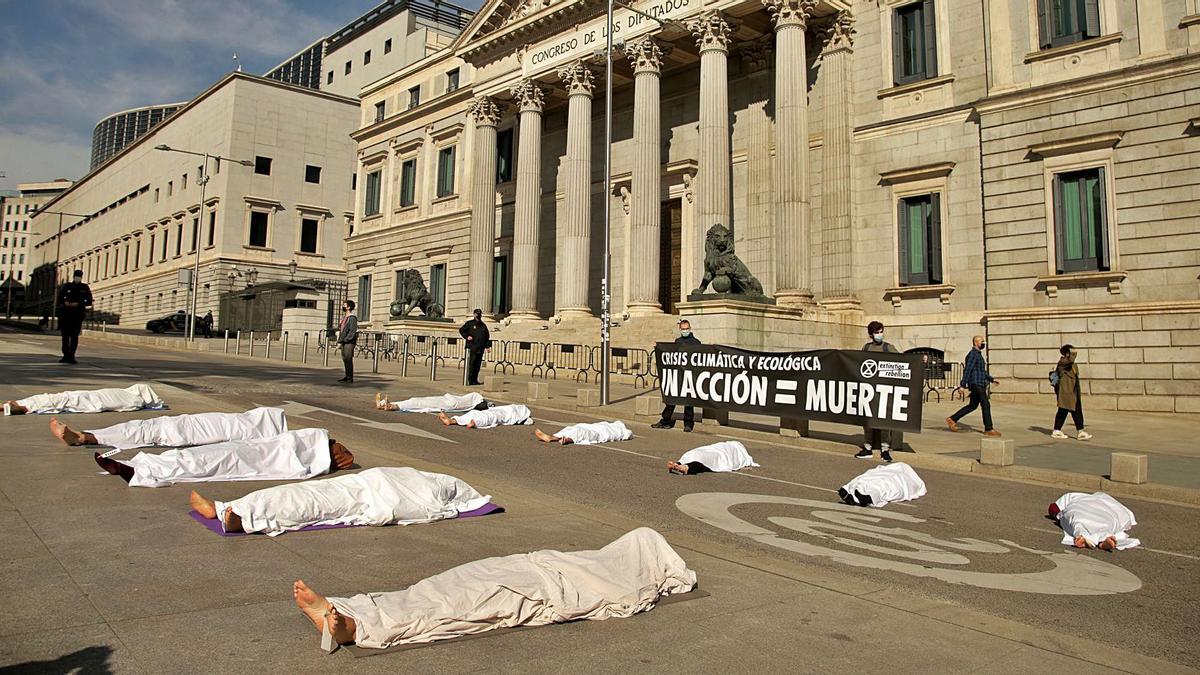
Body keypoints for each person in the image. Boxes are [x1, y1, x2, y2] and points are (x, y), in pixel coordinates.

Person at [291, 527, 696, 651]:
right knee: (446, 587)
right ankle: (353, 613)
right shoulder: (613, 557)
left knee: (459, 601)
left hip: (539, 580)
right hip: (533, 566)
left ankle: (353, 625)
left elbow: (614, 592)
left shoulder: (628, 573)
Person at [189, 466, 492, 536]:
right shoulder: (426, 477)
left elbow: (402, 508)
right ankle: (228, 507)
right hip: (367, 481)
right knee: (302, 492)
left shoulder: (433, 497)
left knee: (311, 503)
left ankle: (242, 516)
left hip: (366, 495)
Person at [93, 427, 353, 487]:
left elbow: (342, 458)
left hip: (257, 457)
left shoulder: (319, 454)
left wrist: (329, 458)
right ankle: (139, 466)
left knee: (207, 462)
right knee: (200, 455)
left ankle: (137, 471)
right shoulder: (316, 437)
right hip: (256, 447)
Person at [50, 407, 287, 450]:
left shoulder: (253, 429)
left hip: (187, 431)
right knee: (146, 428)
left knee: (150, 429)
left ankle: (85, 437)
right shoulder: (249, 421)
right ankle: (87, 436)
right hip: (192, 426)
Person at [857, 320, 899, 462]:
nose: (880, 334)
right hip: (869, 390)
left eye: (881, 331)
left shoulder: (888, 348)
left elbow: (904, 360)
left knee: (883, 421)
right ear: (871, 334)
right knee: (868, 420)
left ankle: (885, 449)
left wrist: (919, 359)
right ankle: (867, 447)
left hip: (884, 389)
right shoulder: (867, 348)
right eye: (877, 332)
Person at [947, 335, 1001, 436]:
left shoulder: (978, 355)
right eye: (982, 342)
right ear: (976, 343)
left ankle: (952, 419)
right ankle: (989, 428)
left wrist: (992, 379)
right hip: (976, 384)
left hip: (980, 383)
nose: (983, 343)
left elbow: (982, 372)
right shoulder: (972, 354)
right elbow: (967, 370)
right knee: (985, 404)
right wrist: (962, 385)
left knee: (972, 406)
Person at [652, 319, 700, 432]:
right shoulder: (677, 341)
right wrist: (659, 347)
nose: (685, 331)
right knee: (672, 399)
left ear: (690, 328)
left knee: (688, 401)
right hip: (678, 375)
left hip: (689, 376)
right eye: (683, 329)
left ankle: (688, 423)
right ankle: (666, 421)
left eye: (686, 328)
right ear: (680, 329)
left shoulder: (696, 343)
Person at [1049, 492, 1139, 551]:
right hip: (1105, 510)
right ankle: (1105, 537)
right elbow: (1123, 513)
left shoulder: (1070, 497)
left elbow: (1053, 508)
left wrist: (1057, 517)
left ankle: (1082, 536)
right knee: (1107, 522)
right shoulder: (1105, 498)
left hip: (1080, 506)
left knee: (1077, 521)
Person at [5, 383, 164, 416]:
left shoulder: (133, 399)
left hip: (93, 398)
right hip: (93, 397)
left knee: (64, 398)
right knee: (64, 399)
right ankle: (21, 405)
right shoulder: (131, 398)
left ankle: (22, 406)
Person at [837, 462, 927, 508]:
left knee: (879, 482)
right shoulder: (899, 469)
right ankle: (860, 493)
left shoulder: (910, 477)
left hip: (895, 477)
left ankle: (860, 493)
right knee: (874, 479)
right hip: (889, 474)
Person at [1051, 344, 1091, 441]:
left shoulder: (1072, 364)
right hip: (1066, 392)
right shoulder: (1063, 362)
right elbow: (1070, 360)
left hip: (1073, 392)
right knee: (1066, 410)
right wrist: (1072, 352)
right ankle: (1060, 430)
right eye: (1071, 352)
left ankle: (1079, 431)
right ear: (1067, 354)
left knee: (1072, 410)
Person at [56, 269, 92, 364]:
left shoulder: (84, 288)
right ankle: (65, 355)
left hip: (77, 315)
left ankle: (71, 355)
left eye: (79, 276)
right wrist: (65, 302)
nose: (78, 278)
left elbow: (89, 301)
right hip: (66, 314)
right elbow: (60, 298)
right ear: (74, 277)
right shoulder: (67, 286)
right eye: (76, 276)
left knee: (74, 336)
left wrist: (78, 303)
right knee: (65, 336)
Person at [667, 440, 758, 475]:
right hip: (716, 450)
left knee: (703, 457)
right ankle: (681, 464)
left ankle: (683, 465)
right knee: (701, 455)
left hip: (720, 452)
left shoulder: (737, 449)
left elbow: (736, 456)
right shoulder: (729, 445)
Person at [534, 420, 632, 445]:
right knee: (575, 428)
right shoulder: (608, 425)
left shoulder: (621, 431)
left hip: (600, 433)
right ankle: (555, 436)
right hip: (596, 428)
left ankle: (563, 439)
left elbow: (627, 434)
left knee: (582, 432)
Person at [459, 308, 490, 386]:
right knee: (471, 364)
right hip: (471, 347)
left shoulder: (483, 325)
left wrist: (487, 346)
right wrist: (467, 336)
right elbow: (461, 330)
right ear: (474, 314)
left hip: (480, 348)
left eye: (479, 314)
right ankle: (469, 379)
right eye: (476, 313)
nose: (478, 315)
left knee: (477, 365)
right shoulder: (470, 323)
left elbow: (487, 336)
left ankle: (474, 380)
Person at [375, 391, 487, 413]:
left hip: (448, 403)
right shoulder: (474, 397)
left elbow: (461, 403)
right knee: (416, 400)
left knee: (417, 403)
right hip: (446, 400)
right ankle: (383, 404)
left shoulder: (473, 400)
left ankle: (392, 406)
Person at [438, 404, 532, 429]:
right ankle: (474, 422)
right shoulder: (514, 411)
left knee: (477, 414)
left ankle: (452, 421)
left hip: (500, 413)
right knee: (487, 416)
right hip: (499, 413)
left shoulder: (514, 411)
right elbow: (528, 421)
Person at [336, 300, 358, 384]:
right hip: (344, 341)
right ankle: (347, 375)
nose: (343, 306)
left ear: (348, 307)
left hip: (349, 342)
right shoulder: (345, 318)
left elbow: (352, 331)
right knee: (345, 359)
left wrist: (346, 339)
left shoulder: (352, 318)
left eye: (344, 305)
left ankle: (350, 378)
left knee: (348, 359)